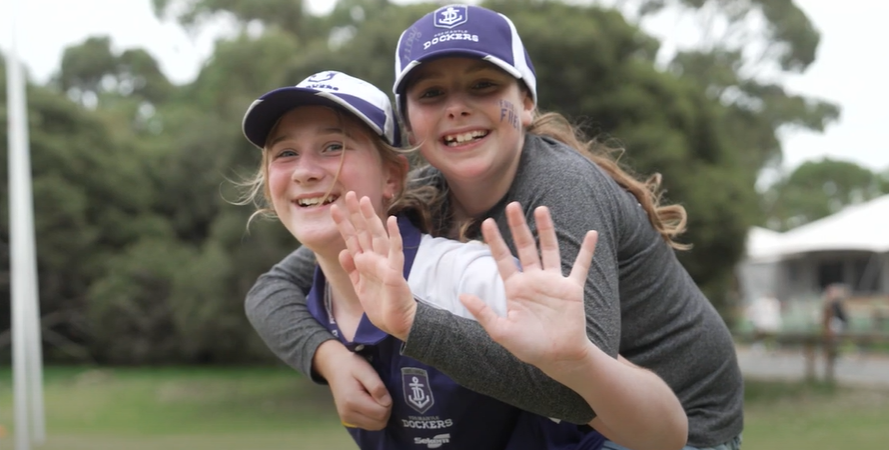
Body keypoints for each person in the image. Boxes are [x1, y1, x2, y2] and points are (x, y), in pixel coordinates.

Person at [246, 4, 743, 450]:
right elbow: (275, 288)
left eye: (483, 85)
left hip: (677, 427)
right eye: (432, 93)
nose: (456, 106)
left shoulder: (560, 192)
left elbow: (566, 380)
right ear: (410, 124)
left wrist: (411, 322)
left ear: (526, 102)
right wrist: (327, 357)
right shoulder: (423, 189)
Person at [238, 69, 614, 449]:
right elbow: (264, 293)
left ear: (392, 178)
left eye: (334, 146)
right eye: (285, 153)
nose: (304, 172)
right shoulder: (313, 301)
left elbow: (606, 399)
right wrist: (328, 358)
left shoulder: (466, 277)